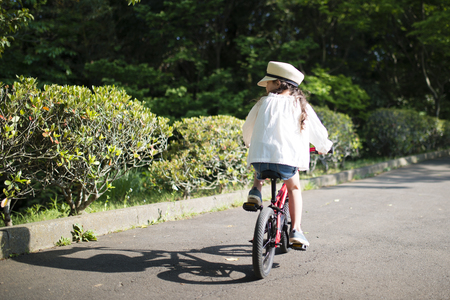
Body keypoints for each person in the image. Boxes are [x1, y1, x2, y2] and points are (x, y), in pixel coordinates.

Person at [242, 61, 332, 247]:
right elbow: (317, 131)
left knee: (262, 159)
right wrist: (324, 146)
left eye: (268, 82)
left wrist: (248, 141)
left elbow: (247, 128)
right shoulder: (300, 105)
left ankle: (256, 191)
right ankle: (296, 230)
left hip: (259, 161)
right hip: (286, 162)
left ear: (277, 83)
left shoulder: (262, 103)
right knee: (294, 188)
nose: (265, 85)